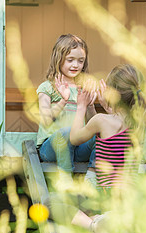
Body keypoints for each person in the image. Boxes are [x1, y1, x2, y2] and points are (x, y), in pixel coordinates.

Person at [69, 64, 146, 232]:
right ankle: (109, 218)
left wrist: (82, 106)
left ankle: (95, 224)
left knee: (51, 202)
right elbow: (112, 128)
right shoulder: (140, 124)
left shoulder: (102, 121)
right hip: (128, 196)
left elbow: (75, 138)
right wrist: (106, 108)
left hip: (105, 195)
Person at [36, 34, 97, 177]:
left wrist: (90, 106)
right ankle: (65, 180)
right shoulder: (47, 88)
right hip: (50, 148)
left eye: (80, 61)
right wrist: (63, 101)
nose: (75, 65)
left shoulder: (82, 89)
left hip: (78, 147)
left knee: (100, 133)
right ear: (59, 59)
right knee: (66, 132)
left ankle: (93, 177)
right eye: (70, 60)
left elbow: (93, 123)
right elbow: (46, 120)